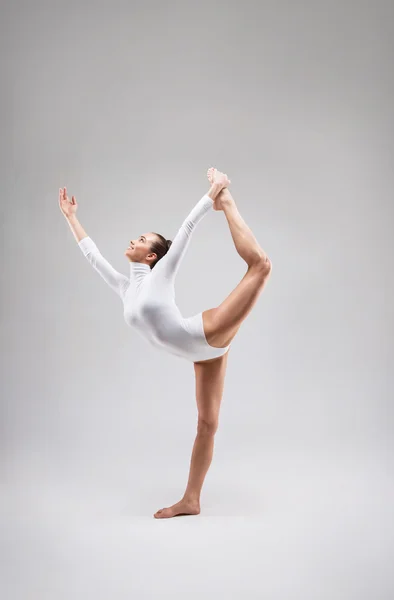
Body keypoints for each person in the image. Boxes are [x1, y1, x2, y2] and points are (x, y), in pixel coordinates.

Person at [59, 167, 272, 518]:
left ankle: (228, 202)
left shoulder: (162, 275)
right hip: (206, 356)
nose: (133, 241)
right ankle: (191, 500)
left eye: (142, 240)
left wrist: (215, 192)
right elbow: (92, 256)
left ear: (152, 257)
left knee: (261, 266)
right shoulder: (126, 289)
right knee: (207, 425)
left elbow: (186, 229)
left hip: (206, 332)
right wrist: (71, 217)